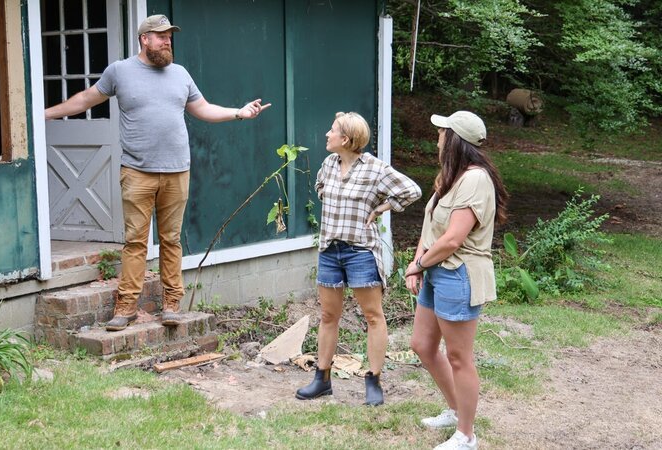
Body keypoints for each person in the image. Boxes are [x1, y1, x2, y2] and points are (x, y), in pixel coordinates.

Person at [45, 15, 270, 331]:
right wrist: (45, 114)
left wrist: (239, 113)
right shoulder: (120, 72)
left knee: (171, 240)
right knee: (135, 241)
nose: (167, 41)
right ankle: (126, 308)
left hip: (178, 171)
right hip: (137, 172)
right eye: (161, 36)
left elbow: (202, 108)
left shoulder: (180, 74)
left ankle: (172, 304)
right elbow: (85, 99)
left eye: (169, 37)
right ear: (144, 39)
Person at [295, 112, 422, 406]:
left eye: (333, 130)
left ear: (346, 139)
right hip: (329, 250)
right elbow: (321, 188)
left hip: (360, 253)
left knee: (373, 316)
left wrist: (380, 208)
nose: (327, 134)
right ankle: (322, 379)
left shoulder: (375, 169)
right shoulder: (329, 164)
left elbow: (411, 191)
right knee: (328, 316)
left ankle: (373, 380)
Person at [405, 111, 508, 450]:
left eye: (442, 132)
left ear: (454, 139)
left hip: (458, 273)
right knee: (422, 344)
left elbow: (452, 239)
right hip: (437, 271)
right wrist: (418, 263)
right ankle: (454, 409)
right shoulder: (451, 177)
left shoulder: (475, 179)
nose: (437, 137)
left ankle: (466, 435)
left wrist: (418, 264)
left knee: (459, 357)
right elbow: (430, 227)